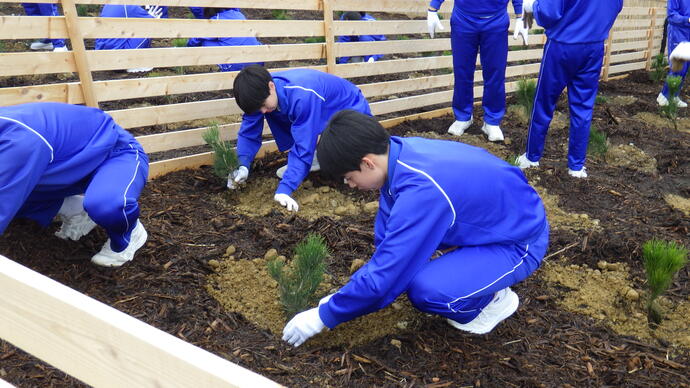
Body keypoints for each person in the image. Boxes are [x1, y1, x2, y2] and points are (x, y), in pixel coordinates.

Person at [281, 110, 549, 347]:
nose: (350, 185)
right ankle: (472, 270)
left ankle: (491, 303)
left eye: (349, 178)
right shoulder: (398, 154)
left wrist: (324, 315)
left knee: (428, 291)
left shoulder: (422, 192)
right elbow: (388, 238)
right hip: (498, 220)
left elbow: (389, 272)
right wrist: (368, 281)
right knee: (405, 269)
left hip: (520, 240)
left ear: (367, 162)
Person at [0, 102, 149, 267]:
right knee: (13, 190)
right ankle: (75, 210)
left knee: (107, 205)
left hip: (113, 154)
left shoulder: (19, 141)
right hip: (66, 164)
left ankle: (129, 234)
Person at [229, 65, 371, 212]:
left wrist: (285, 188)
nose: (263, 112)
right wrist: (243, 165)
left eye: (264, 106)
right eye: (258, 109)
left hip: (350, 110)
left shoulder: (302, 96)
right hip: (320, 108)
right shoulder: (259, 95)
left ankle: (326, 158)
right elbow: (248, 131)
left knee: (349, 165)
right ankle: (313, 159)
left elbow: (304, 143)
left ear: (271, 86)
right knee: (304, 141)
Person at [516, 0, 623, 178]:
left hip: (562, 45)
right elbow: (616, 7)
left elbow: (549, 13)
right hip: (594, 47)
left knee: (544, 102)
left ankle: (532, 157)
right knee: (583, 107)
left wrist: (531, 6)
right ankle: (576, 166)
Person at [426, 0, 527, 142]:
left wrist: (520, 16)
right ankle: (463, 116)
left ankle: (492, 121)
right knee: (462, 71)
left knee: (495, 73)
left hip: (496, 21)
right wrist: (433, 8)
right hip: (463, 20)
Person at [94, 4, 167, 73]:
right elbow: (152, 22)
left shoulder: (109, 4)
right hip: (117, 59)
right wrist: (153, 17)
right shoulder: (129, 5)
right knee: (148, 28)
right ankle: (133, 64)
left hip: (102, 54)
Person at [186, 8, 264, 72]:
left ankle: (219, 67)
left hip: (235, 66)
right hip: (257, 62)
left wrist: (187, 49)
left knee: (205, 42)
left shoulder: (217, 20)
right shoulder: (239, 14)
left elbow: (197, 38)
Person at [657, 0, 690, 108]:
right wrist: (687, 19)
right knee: (678, 66)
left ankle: (674, 95)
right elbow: (671, 15)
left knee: (685, 69)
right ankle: (664, 96)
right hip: (678, 33)